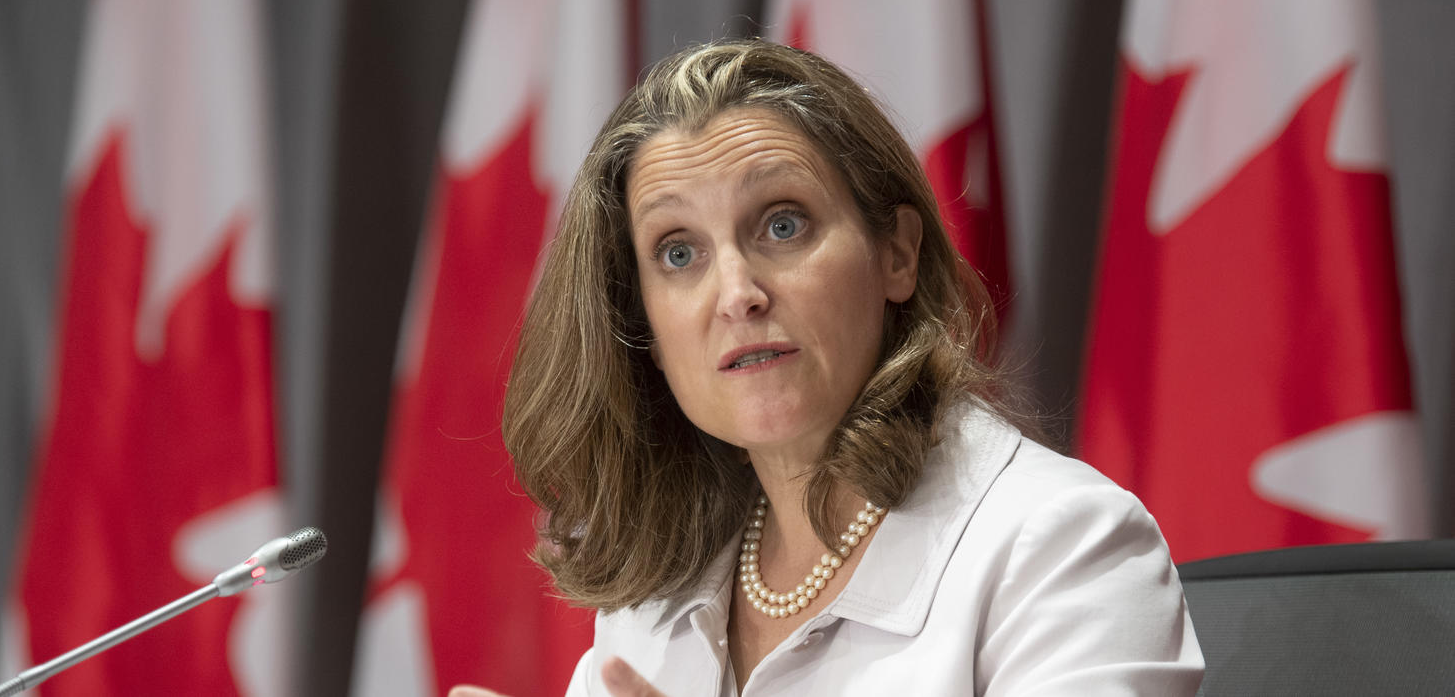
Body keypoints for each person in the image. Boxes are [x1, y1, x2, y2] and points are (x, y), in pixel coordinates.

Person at [456, 39, 1203, 696]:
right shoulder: (653, 601)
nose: (738, 295)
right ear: (639, 315)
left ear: (897, 253)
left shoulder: (1061, 545)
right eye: (678, 252)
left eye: (783, 224)